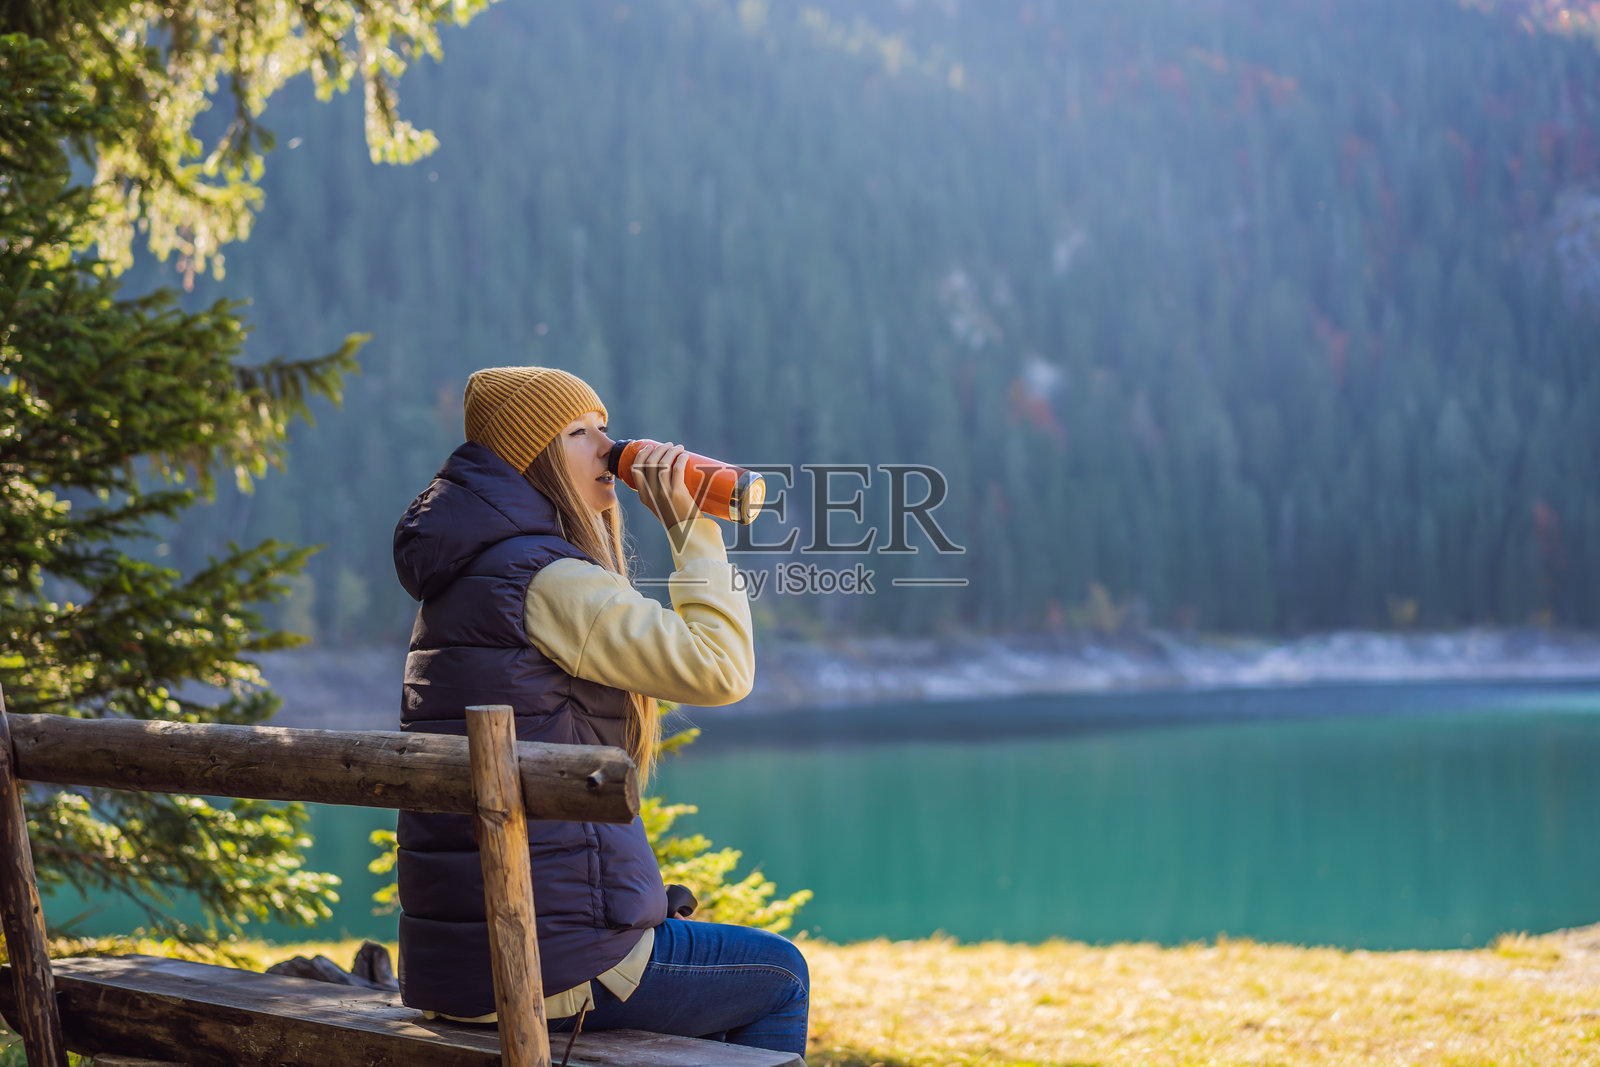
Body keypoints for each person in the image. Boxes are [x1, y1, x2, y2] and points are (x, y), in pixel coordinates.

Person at [391, 365, 809, 1057]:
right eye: (578, 433)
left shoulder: (468, 575)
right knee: (780, 973)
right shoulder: (547, 580)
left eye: (605, 428)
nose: (609, 449)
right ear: (531, 459)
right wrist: (692, 530)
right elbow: (723, 670)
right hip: (554, 970)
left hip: (460, 970)